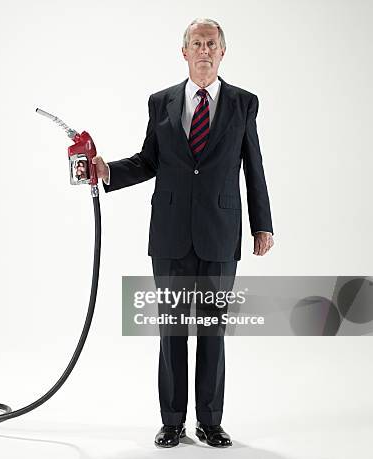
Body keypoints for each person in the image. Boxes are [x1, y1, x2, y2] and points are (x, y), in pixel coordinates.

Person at [92, 18, 274, 448]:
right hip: (171, 233)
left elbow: (254, 167)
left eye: (212, 43)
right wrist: (107, 171)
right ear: (185, 51)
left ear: (222, 52)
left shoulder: (244, 103)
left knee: (212, 328)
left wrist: (261, 224)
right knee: (171, 328)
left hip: (220, 231)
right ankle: (172, 421)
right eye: (197, 43)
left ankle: (210, 422)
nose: (205, 50)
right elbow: (149, 160)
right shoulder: (161, 102)